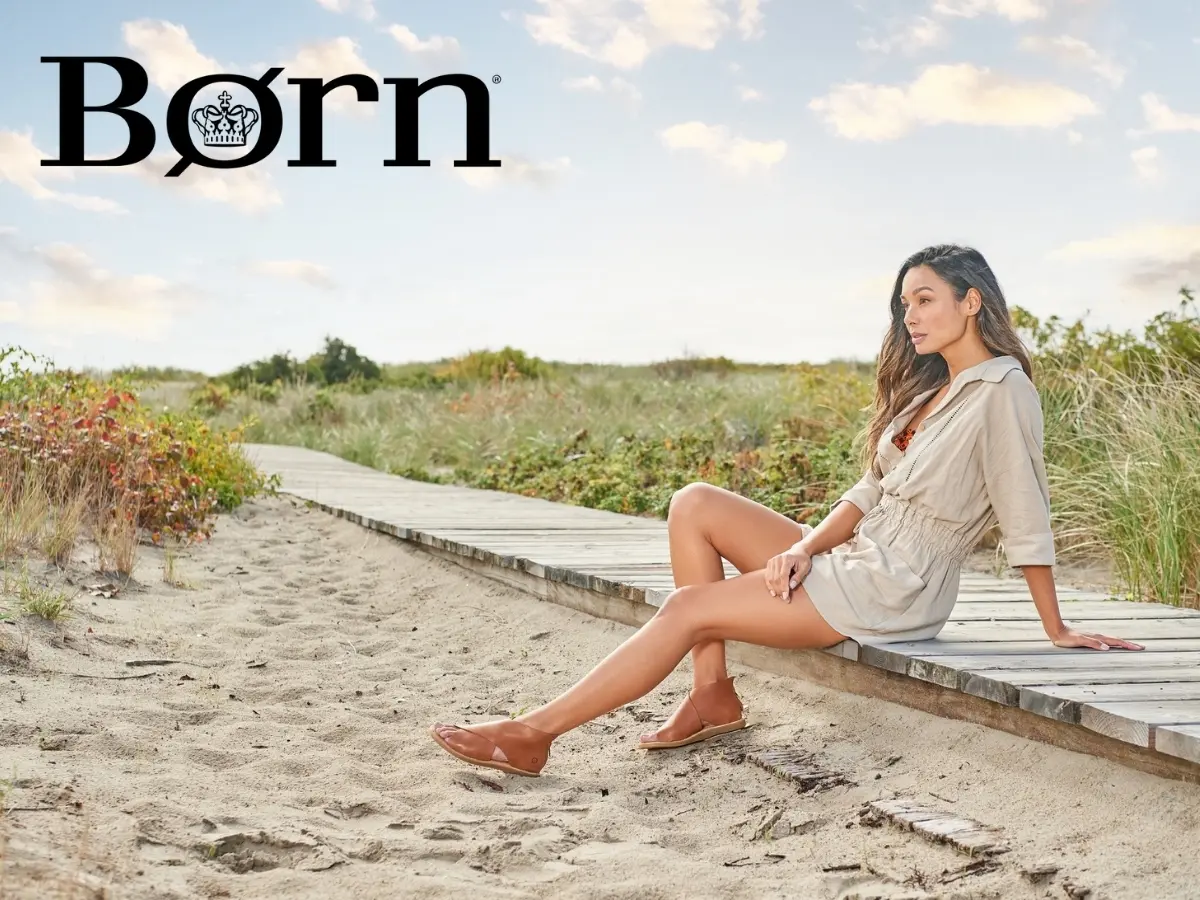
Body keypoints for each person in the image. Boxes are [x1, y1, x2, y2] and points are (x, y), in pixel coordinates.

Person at [428, 243, 1145, 778]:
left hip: (896, 584)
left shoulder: (1003, 391)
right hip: (855, 556)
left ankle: (534, 735)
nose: (910, 315)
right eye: (904, 303)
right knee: (695, 504)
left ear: (971, 302)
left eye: (925, 298)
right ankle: (711, 694)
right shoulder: (933, 392)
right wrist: (806, 547)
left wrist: (1055, 626)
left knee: (686, 608)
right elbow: (869, 492)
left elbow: (1026, 508)